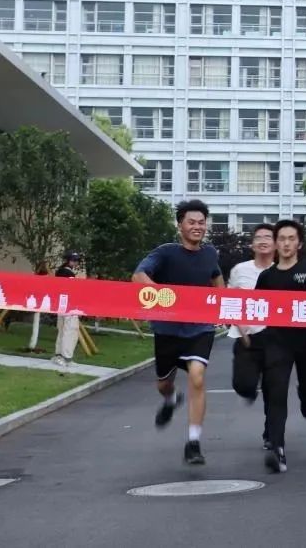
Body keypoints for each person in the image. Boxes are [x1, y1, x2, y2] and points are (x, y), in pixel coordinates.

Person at [132, 199, 224, 466]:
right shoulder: (165, 252)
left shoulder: (210, 254)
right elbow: (138, 276)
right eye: (191, 222)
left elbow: (217, 279)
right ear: (180, 225)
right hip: (167, 330)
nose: (197, 227)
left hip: (200, 328)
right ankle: (172, 399)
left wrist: (223, 306)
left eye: (201, 223)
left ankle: (193, 443)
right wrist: (164, 297)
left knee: (197, 376)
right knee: (163, 384)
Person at [255, 219, 306, 473]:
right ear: (275, 243)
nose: (286, 243)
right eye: (282, 239)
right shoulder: (266, 277)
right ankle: (277, 448)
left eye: (291, 239)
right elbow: (257, 307)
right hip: (277, 343)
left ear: (299, 243)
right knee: (276, 392)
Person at [229, 223, 275, 450]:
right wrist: (241, 327)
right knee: (243, 385)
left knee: (273, 389)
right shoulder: (240, 270)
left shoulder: (284, 271)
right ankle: (248, 391)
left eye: (268, 237)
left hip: (275, 338)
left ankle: (271, 433)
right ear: (252, 244)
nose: (263, 241)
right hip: (246, 337)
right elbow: (230, 302)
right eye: (259, 237)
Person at [52, 252, 84, 368]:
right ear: (69, 261)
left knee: (62, 330)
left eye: (77, 261)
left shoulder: (59, 271)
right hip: (69, 305)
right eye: (74, 260)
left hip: (60, 304)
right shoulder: (68, 273)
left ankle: (59, 355)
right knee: (70, 331)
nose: (76, 263)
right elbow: (72, 290)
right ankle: (66, 357)